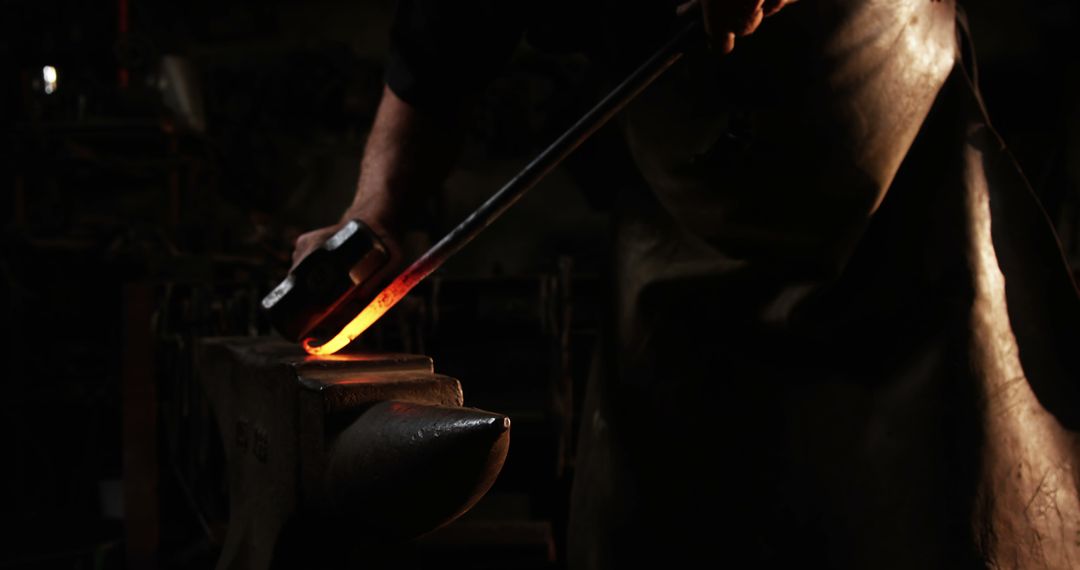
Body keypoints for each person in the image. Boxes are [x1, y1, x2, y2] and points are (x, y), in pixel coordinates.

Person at [292, 1, 1080, 568]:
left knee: (959, 522)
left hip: (904, 224)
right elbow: (444, 41)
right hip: (679, 235)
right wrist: (376, 210)